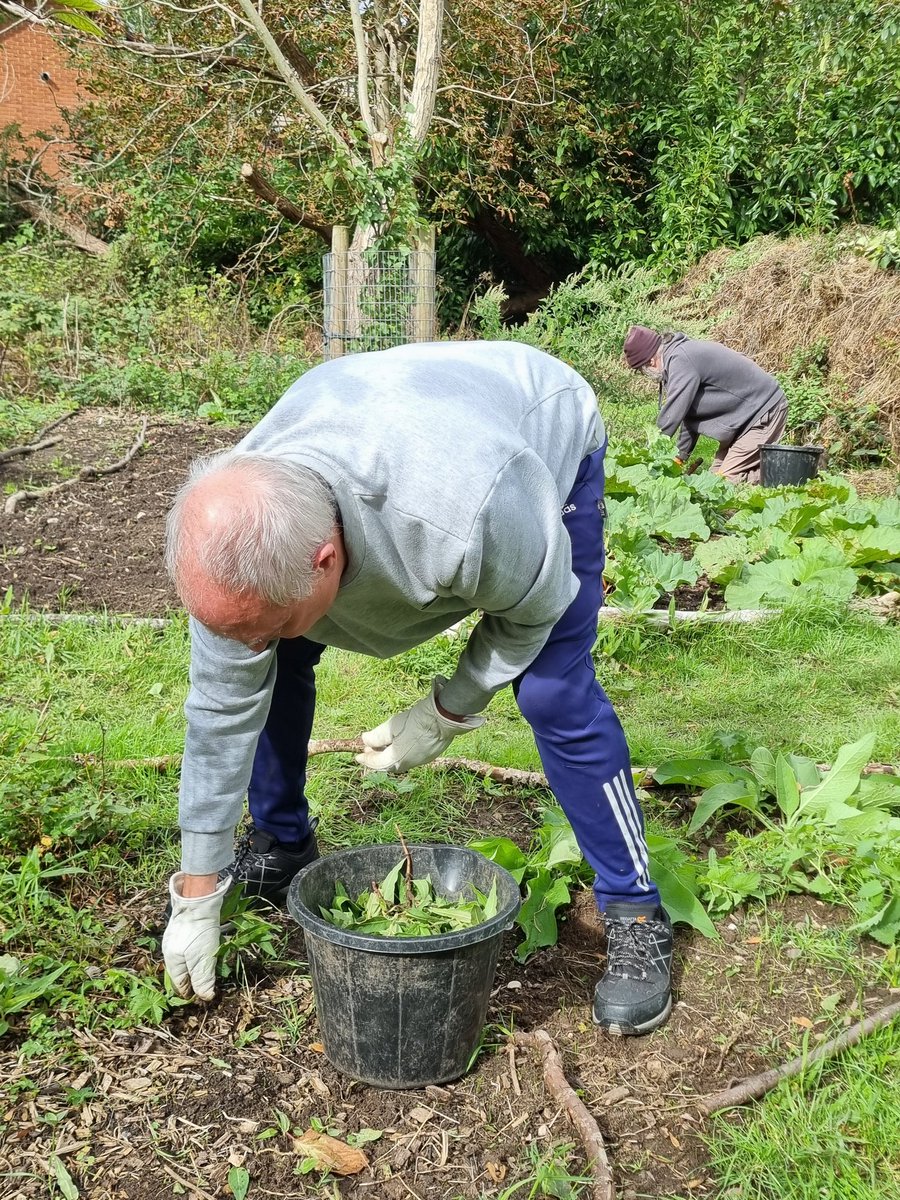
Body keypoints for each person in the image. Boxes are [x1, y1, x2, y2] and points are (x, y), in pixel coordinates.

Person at [161, 340, 673, 1036]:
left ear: (326, 561)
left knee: (554, 689)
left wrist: (448, 708)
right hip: (382, 413)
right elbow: (220, 714)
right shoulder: (237, 541)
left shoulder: (471, 509)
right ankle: (282, 845)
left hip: (535, 427)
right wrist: (197, 892)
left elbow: (535, 606)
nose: (243, 643)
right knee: (273, 663)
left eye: (266, 623)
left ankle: (636, 908)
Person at [623, 325, 788, 484]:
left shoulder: (681, 359)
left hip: (763, 412)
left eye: (641, 370)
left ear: (651, 362)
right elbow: (688, 414)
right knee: (711, 482)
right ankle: (778, 475)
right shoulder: (678, 358)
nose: (645, 375)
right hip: (743, 421)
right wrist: (680, 457)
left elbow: (673, 413)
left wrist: (651, 453)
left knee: (724, 484)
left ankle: (790, 476)